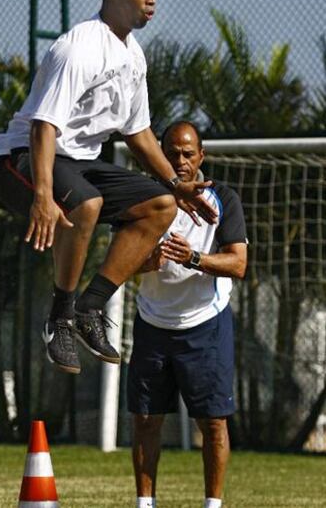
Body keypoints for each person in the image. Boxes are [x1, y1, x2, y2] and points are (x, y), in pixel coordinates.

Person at [0, 0, 217, 376]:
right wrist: (41, 194)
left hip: (78, 163)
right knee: (87, 203)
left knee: (161, 205)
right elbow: (43, 127)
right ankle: (60, 317)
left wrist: (176, 184)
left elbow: (140, 135)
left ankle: (89, 311)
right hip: (21, 158)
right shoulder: (78, 48)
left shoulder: (133, 56)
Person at [128, 121, 248, 508]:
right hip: (152, 323)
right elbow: (117, 263)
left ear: (201, 156)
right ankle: (145, 503)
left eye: (187, 153)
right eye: (171, 153)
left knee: (212, 423)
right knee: (146, 420)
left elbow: (238, 263)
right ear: (158, 154)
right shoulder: (141, 198)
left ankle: (213, 504)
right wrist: (149, 260)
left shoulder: (222, 199)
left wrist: (194, 258)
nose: (179, 160)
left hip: (205, 326)